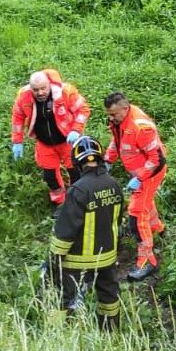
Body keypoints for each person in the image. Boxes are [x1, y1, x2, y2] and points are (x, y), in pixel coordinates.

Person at [48, 135, 123, 330]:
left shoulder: (78, 190)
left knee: (64, 298)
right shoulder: (114, 184)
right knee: (109, 297)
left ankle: (58, 333)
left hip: (77, 259)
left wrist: (54, 258)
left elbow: (66, 229)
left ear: (77, 162)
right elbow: (117, 220)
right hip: (107, 256)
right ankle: (111, 333)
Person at [103, 91, 167, 282]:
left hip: (150, 173)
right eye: (109, 114)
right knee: (146, 205)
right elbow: (117, 142)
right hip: (140, 173)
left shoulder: (141, 127)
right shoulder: (119, 122)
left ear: (125, 108)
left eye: (114, 114)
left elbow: (157, 159)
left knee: (136, 214)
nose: (111, 118)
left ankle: (148, 261)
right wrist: (107, 161)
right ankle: (157, 229)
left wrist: (140, 177)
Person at [10, 68, 91, 206]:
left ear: (49, 84)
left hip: (67, 141)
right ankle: (60, 202)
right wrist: (17, 141)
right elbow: (17, 118)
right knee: (50, 176)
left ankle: (77, 199)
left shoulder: (65, 92)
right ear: (31, 88)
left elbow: (83, 109)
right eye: (36, 90)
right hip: (44, 144)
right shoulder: (24, 97)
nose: (40, 93)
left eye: (43, 88)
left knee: (76, 171)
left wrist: (76, 130)